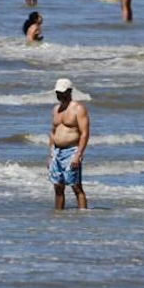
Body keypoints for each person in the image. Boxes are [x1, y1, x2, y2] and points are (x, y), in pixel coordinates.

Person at [48, 78, 88, 210]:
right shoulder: (55, 110)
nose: (59, 95)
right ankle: (59, 216)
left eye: (62, 93)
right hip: (56, 152)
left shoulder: (78, 109)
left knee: (76, 187)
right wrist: (50, 154)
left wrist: (78, 155)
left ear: (70, 91)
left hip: (72, 151)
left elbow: (84, 133)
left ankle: (83, 216)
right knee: (58, 187)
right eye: (58, 93)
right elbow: (53, 133)